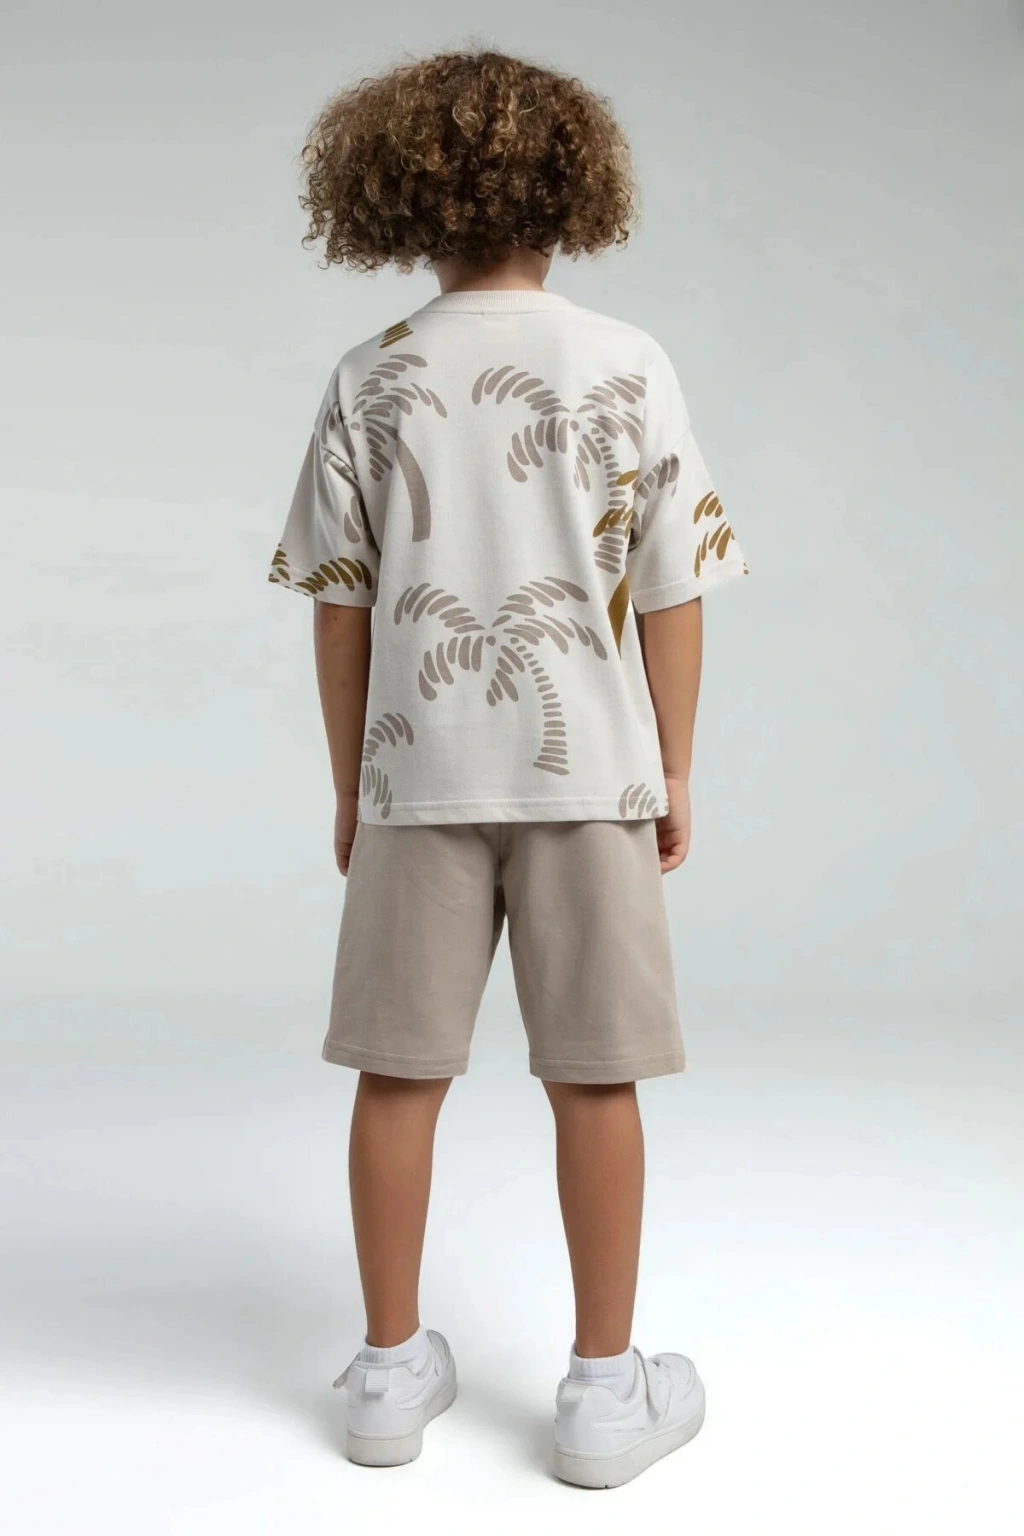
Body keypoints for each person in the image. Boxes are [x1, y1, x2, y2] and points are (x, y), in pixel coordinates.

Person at [269, 48, 747, 1488]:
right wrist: (673, 768)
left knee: (397, 1076)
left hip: (416, 777)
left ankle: (385, 1372)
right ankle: (605, 1390)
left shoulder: (370, 373)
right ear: (573, 190)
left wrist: (352, 784)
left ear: (399, 198)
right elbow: (675, 591)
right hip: (590, 780)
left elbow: (340, 605)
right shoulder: (629, 363)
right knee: (596, 1082)